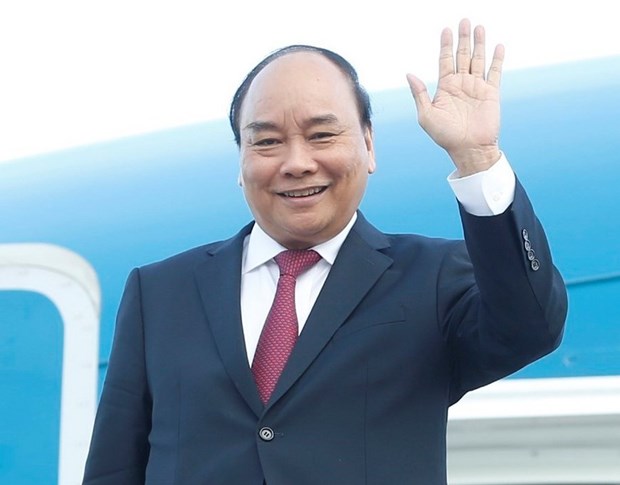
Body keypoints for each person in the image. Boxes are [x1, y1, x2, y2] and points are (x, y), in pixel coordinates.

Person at [83, 19, 567, 484]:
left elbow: (530, 328)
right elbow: (114, 467)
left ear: (369, 145)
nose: (297, 163)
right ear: (240, 159)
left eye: (321, 135)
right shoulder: (160, 292)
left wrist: (476, 158)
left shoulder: (432, 278)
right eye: (267, 141)